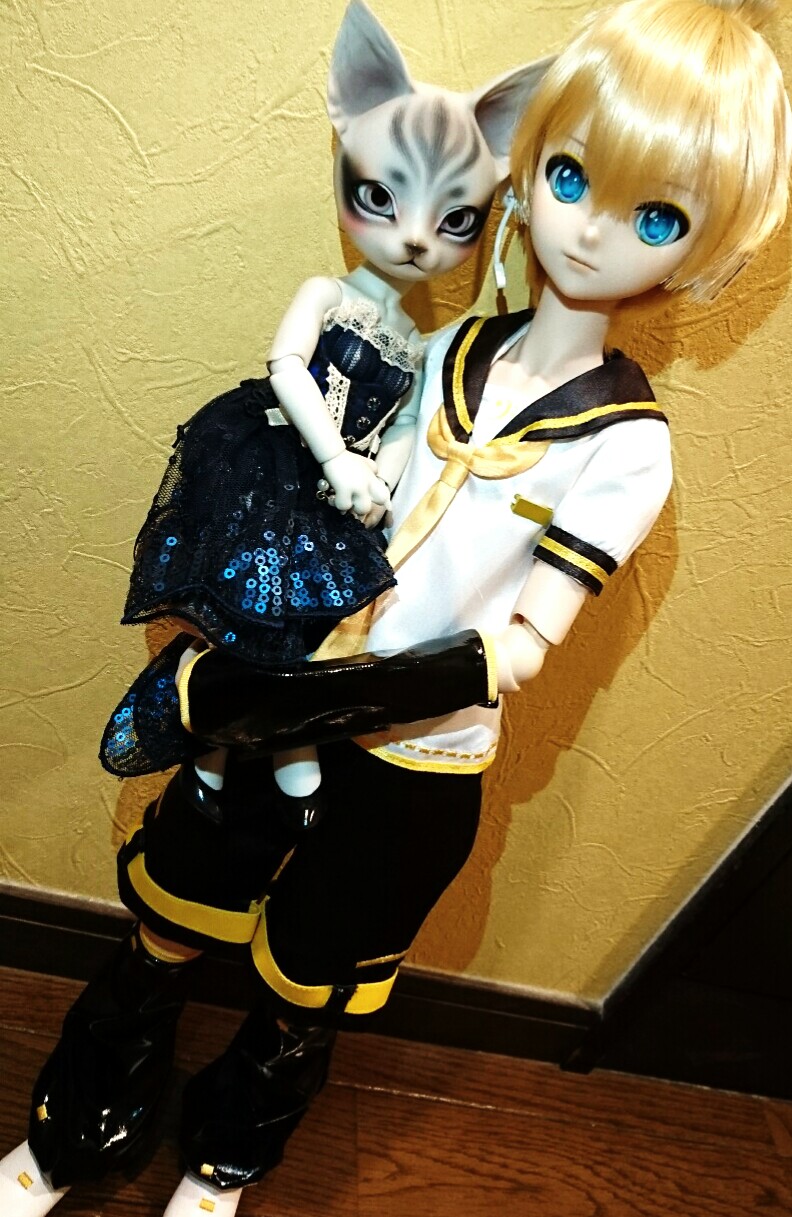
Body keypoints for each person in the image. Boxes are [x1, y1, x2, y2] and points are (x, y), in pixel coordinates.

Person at [0, 4, 553, 1216]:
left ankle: (226, 1150)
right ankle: (81, 1122)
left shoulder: (469, 359)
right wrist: (339, 463)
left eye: (457, 218)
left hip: (400, 680)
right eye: (381, 197)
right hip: (285, 521)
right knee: (190, 859)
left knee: (315, 950)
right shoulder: (344, 305)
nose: (416, 236)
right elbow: (293, 372)